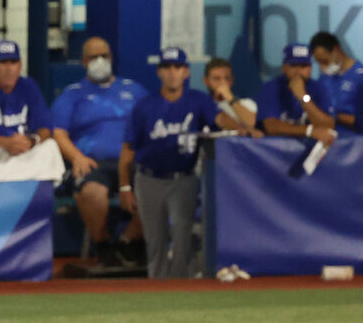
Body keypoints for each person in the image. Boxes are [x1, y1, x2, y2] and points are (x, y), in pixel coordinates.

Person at [118, 47, 235, 279]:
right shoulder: (144, 106)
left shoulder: (199, 101)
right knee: (155, 241)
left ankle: (180, 289)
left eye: (177, 67)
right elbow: (128, 151)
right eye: (167, 68)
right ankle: (157, 287)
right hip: (148, 177)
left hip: (183, 177)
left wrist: (234, 109)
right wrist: (124, 187)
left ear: (186, 72)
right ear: (159, 73)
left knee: (182, 237)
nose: (172, 73)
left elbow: (225, 123)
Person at [50, 36, 147, 267]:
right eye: (94, 57)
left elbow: (151, 125)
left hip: (130, 161)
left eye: (104, 55)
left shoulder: (134, 90)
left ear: (112, 58)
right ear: (84, 61)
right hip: (94, 163)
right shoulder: (72, 94)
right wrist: (76, 157)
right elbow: (57, 133)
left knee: (158, 187)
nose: (100, 61)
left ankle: (127, 241)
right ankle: (103, 245)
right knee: (92, 191)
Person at [256, 43, 337, 146]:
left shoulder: (319, 88)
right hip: (276, 150)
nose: (298, 71)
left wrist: (303, 96)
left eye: (303, 66)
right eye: (293, 65)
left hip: (309, 149)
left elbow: (328, 126)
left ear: (310, 69)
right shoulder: (271, 87)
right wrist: (309, 131)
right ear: (284, 68)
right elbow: (271, 126)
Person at [310, 31, 363, 132]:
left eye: (324, 61)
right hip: (324, 140)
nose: (322, 67)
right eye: (319, 63)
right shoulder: (324, 78)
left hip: (355, 141)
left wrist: (335, 117)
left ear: (336, 50)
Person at [203, 57, 257, 131]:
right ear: (206, 81)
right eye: (217, 79)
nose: (223, 83)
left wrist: (229, 97)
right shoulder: (201, 105)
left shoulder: (246, 104)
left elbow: (252, 123)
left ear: (232, 80)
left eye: (227, 78)